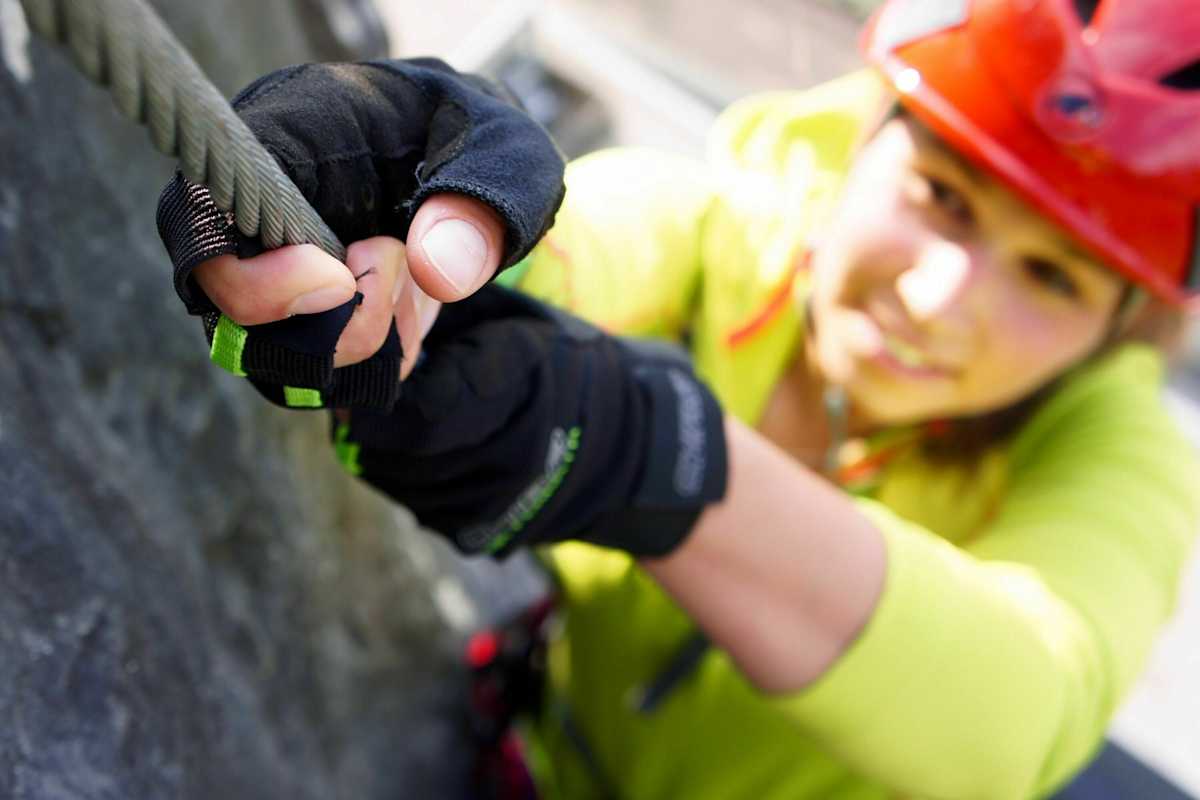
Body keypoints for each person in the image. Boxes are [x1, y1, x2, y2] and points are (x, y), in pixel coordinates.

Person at [157, 0, 1200, 797]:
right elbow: (591, 251)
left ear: (1124, 326)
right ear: (866, 134)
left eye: (1054, 276)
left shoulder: (1124, 456)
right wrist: (419, 232)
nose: (937, 298)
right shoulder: (732, 233)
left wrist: (655, 452)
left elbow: (1017, 718)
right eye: (943, 194)